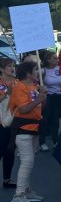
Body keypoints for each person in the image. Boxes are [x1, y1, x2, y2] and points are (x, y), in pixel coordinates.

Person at [9, 61, 47, 202]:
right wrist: (38, 99)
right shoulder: (19, 87)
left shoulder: (34, 87)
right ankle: (18, 196)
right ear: (27, 73)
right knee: (27, 161)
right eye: (35, 70)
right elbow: (23, 109)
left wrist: (43, 96)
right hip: (22, 129)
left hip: (34, 128)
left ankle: (26, 190)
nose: (38, 72)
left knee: (29, 162)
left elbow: (41, 108)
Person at [39, 52, 61, 152]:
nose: (57, 60)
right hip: (47, 97)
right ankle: (42, 142)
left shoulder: (60, 69)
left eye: (57, 58)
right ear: (48, 60)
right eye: (54, 58)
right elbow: (35, 78)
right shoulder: (43, 71)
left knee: (56, 120)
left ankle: (55, 140)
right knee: (45, 119)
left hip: (58, 96)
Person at [0, 58, 17, 189]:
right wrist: (7, 93)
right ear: (1, 69)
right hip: (1, 121)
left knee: (10, 150)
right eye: (9, 66)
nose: (12, 68)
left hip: (13, 120)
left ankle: (7, 178)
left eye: (13, 66)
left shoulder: (17, 82)